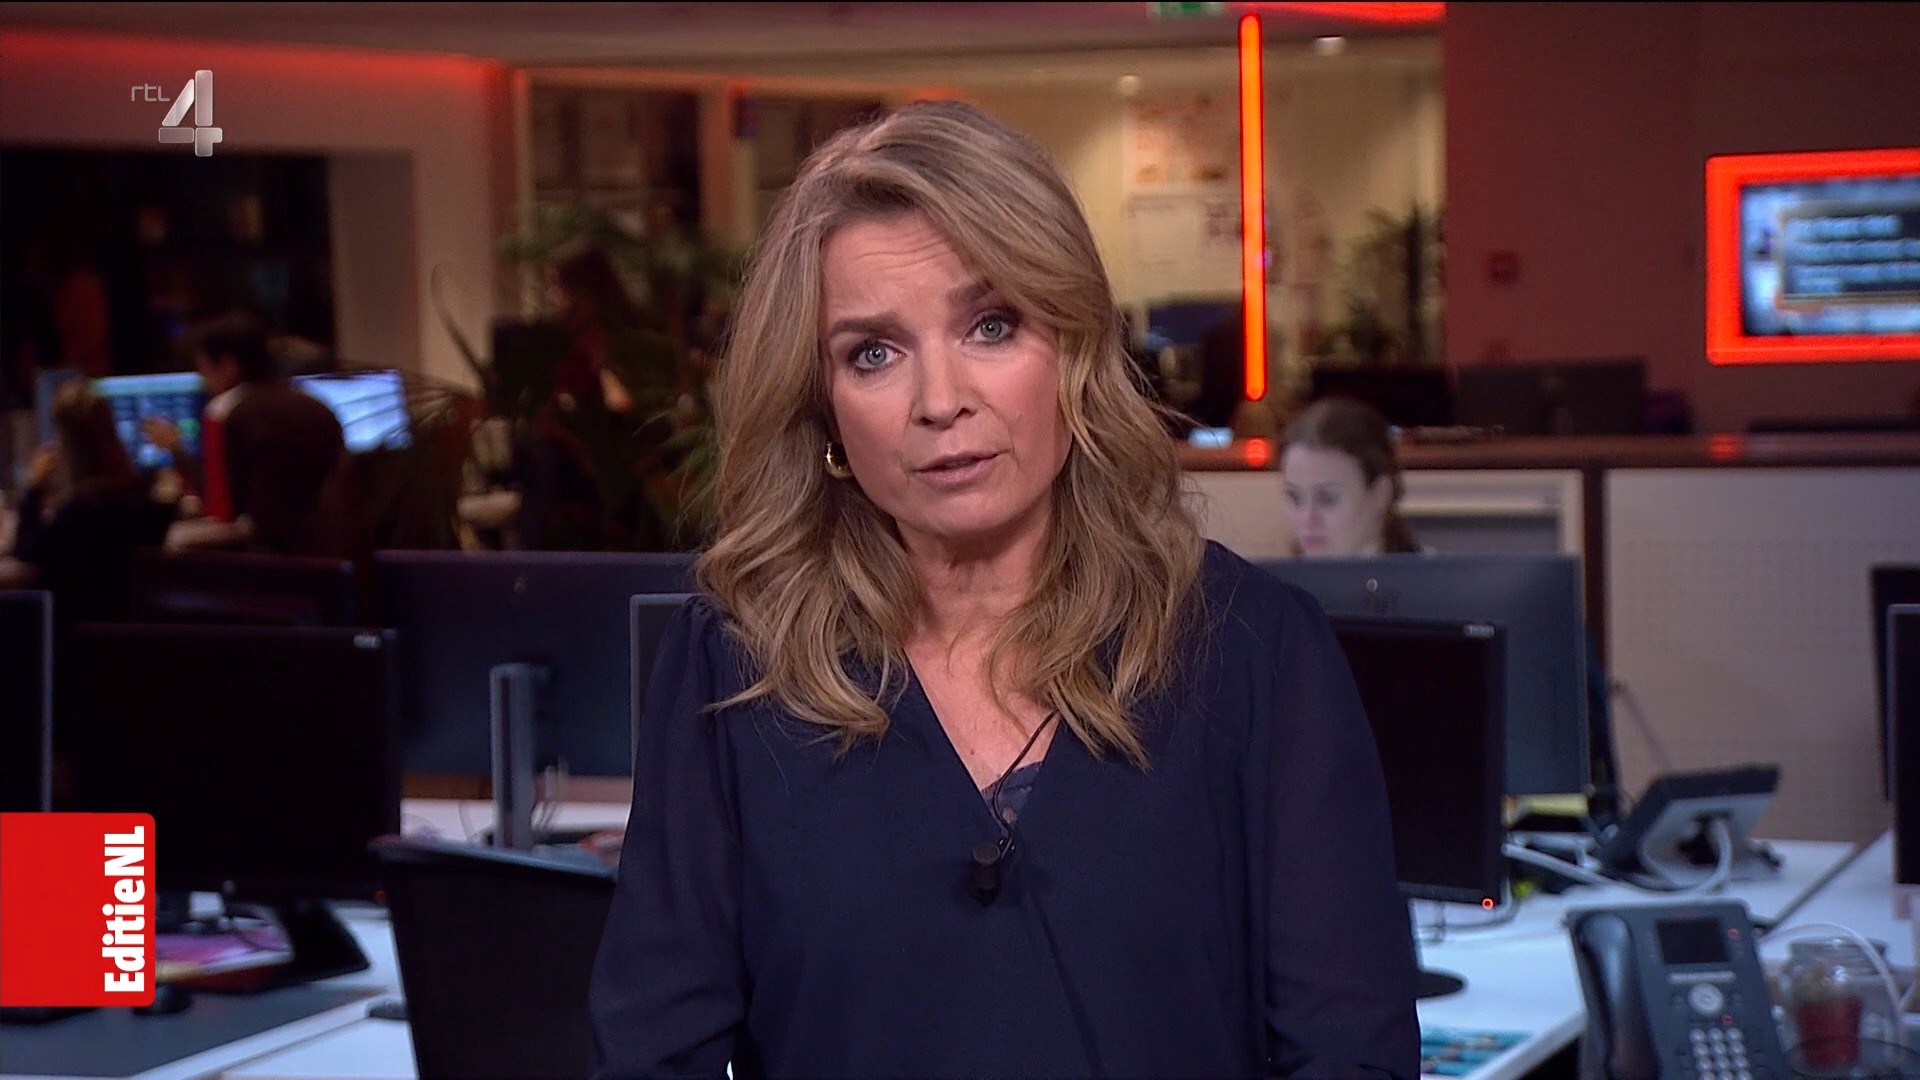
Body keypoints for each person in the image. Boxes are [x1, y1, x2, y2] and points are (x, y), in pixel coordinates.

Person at [588, 100, 1417, 1079]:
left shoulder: (1255, 652)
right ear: (823, 407)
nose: (941, 401)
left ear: (1073, 349)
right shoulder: (735, 667)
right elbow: (650, 1055)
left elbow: (1349, 1053)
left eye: (991, 325)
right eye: (873, 353)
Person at [143, 312, 349, 558]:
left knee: (171, 540)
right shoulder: (316, 405)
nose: (203, 381)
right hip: (330, 553)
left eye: (204, 369)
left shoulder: (223, 410)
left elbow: (221, 509)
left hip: (265, 557)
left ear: (228, 366)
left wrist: (175, 449)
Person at [0, 380, 174, 625]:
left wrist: (33, 488)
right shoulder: (142, 499)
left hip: (76, 637)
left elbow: (26, 551)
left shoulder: (78, 511)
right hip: (129, 633)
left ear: (68, 442)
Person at [1280, 396, 1423, 557]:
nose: (1307, 520)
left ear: (1381, 493)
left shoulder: (1432, 573)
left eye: (1327, 498)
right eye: (1294, 498)